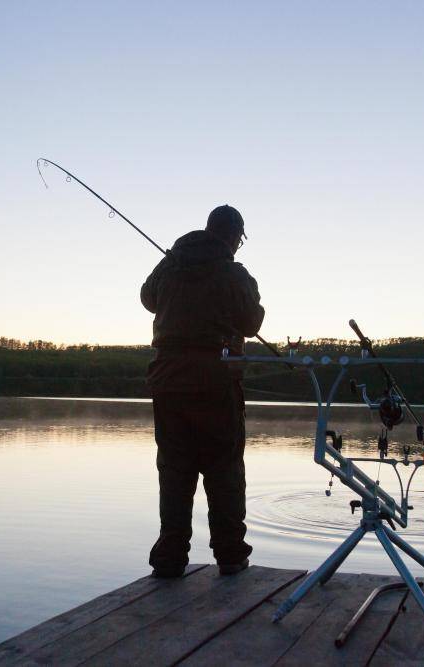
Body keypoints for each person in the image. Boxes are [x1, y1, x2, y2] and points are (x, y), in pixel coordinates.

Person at [139, 204, 265, 578]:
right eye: (240, 239)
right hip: (216, 382)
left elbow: (148, 298)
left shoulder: (171, 264)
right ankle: (229, 554)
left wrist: (172, 266)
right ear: (233, 236)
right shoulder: (234, 273)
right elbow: (252, 321)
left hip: (169, 383)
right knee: (224, 469)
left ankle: (170, 555)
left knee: (174, 469)